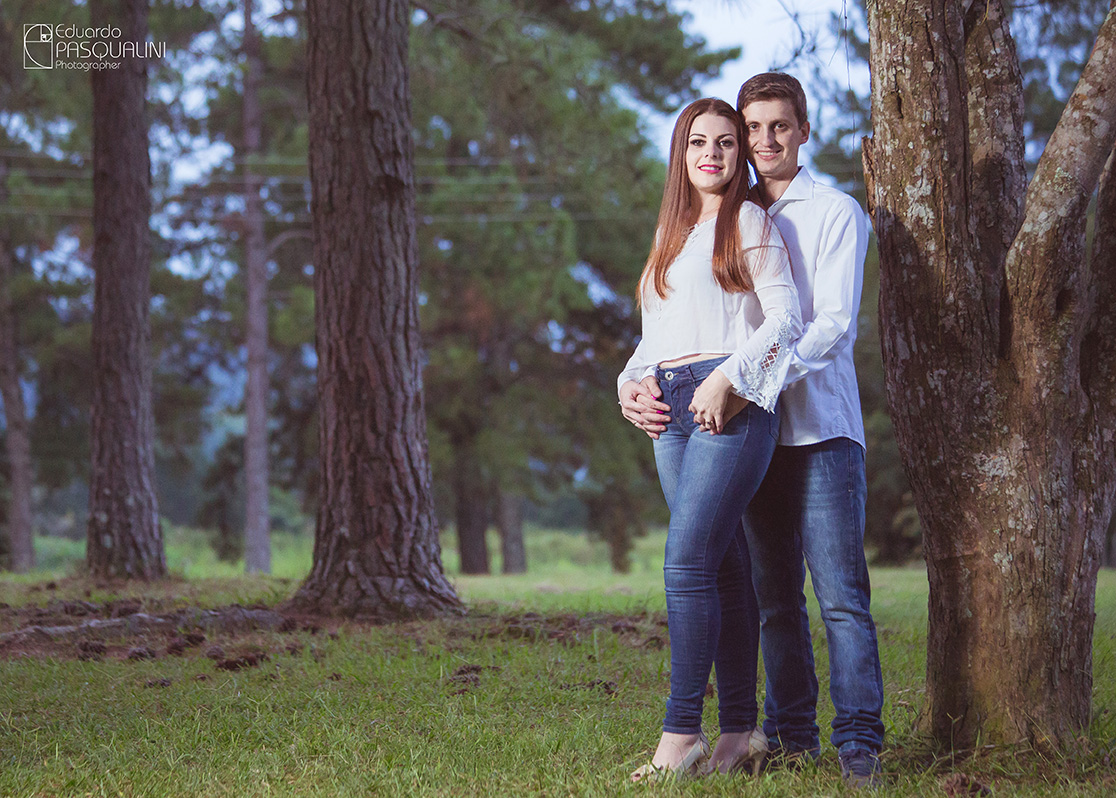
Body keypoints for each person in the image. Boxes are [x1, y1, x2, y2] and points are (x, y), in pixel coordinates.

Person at [623, 73, 884, 789]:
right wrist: (635, 387)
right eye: (752, 128)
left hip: (815, 425)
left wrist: (741, 380)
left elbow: (826, 326)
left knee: (838, 594)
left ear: (802, 130)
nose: (764, 141)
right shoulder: (712, 216)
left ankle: (858, 741)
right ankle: (788, 735)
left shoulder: (830, 211)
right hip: (737, 425)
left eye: (778, 127)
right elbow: (673, 330)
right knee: (769, 595)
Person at [617, 97, 801, 781]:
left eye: (728, 143)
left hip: (730, 403)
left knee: (686, 563)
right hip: (669, 403)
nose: (714, 155)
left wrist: (727, 380)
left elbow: (785, 319)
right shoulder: (670, 233)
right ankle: (740, 733)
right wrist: (628, 388)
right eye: (700, 142)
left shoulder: (746, 219)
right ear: (681, 151)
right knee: (721, 567)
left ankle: (678, 734)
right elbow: (652, 339)